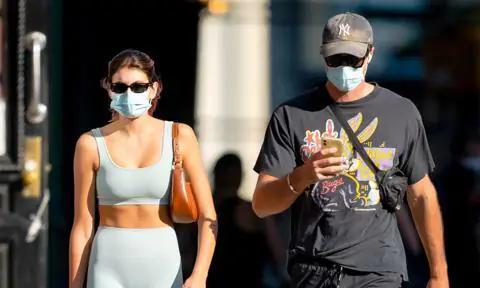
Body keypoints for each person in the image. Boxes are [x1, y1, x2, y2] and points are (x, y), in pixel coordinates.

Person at [252, 12, 448, 288]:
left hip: (379, 271)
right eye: (336, 58)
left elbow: (422, 196)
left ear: (370, 54)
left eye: (352, 58)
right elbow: (262, 205)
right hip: (314, 272)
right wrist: (303, 176)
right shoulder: (291, 115)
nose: (344, 67)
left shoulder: (401, 113)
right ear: (323, 56)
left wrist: (439, 274)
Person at [69, 49, 217, 288]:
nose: (129, 94)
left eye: (138, 87)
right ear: (108, 88)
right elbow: (83, 225)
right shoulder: (90, 144)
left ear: (154, 89)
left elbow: (208, 217)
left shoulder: (179, 136)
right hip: (107, 263)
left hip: (163, 262)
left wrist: (200, 275)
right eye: (120, 87)